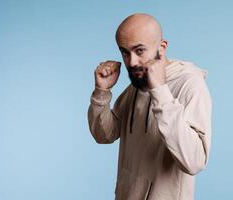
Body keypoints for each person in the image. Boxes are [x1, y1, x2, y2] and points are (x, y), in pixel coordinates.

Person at [87, 13, 212, 200]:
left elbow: (194, 161)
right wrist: (101, 92)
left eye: (139, 51)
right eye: (124, 52)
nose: (132, 62)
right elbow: (104, 134)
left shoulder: (190, 84)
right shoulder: (137, 84)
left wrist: (160, 91)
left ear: (162, 48)